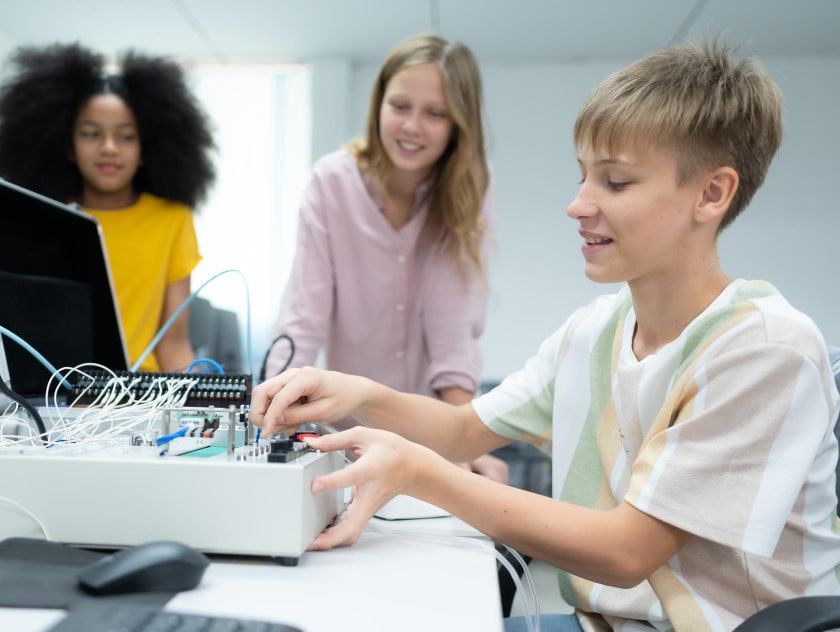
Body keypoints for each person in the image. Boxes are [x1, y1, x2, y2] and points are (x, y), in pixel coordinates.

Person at [250, 37, 840, 632]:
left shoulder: (765, 350)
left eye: (614, 182)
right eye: (583, 177)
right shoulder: (592, 331)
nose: (578, 205)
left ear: (711, 193)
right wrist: (356, 393)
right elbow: (461, 430)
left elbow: (625, 553)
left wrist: (419, 472)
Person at [0, 42, 216, 451]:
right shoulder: (44, 220)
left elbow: (173, 345)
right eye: (91, 133)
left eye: (126, 136)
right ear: (67, 145)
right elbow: (16, 347)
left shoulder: (173, 220)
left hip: (136, 409)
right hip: (56, 408)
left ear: (145, 148)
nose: (109, 147)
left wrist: (207, 415)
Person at [265, 34, 506, 483]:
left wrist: (466, 444)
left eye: (434, 113)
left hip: (427, 441)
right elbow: (303, 318)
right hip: (339, 436)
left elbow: (453, 327)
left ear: (458, 123)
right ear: (378, 105)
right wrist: (275, 405)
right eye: (400, 106)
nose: (412, 126)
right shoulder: (332, 182)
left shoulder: (471, 187)